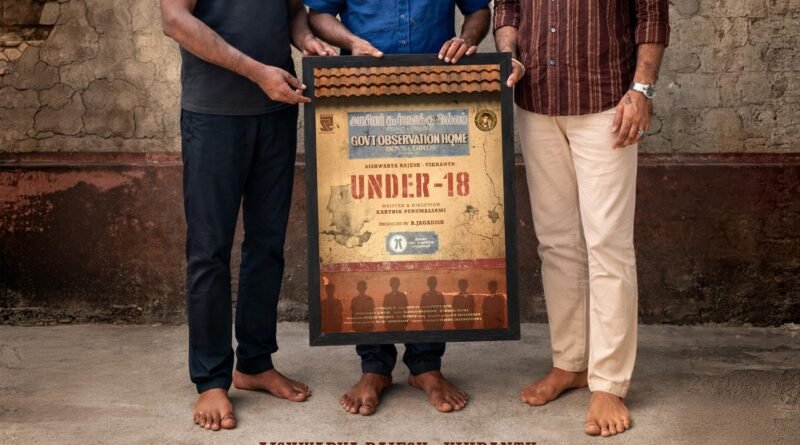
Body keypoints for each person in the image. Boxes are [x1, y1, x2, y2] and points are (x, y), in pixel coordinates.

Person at [305, 0, 491, 415]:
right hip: (361, 92)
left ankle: (427, 365)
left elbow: (479, 9)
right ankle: (374, 366)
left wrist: (466, 39)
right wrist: (351, 41)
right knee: (368, 224)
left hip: (436, 93)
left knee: (431, 221)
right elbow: (318, 13)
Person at [493, 0, 669, 437]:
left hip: (607, 100)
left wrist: (642, 90)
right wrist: (508, 53)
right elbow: (507, 8)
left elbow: (651, 14)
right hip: (536, 100)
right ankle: (570, 362)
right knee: (556, 243)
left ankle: (608, 382)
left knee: (607, 244)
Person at [160, 0, 334, 432]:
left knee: (267, 245)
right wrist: (258, 73)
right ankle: (211, 378)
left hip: (276, 111)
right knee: (209, 251)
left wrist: (306, 39)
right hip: (213, 115)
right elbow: (175, 21)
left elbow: (292, 11)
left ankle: (255, 362)